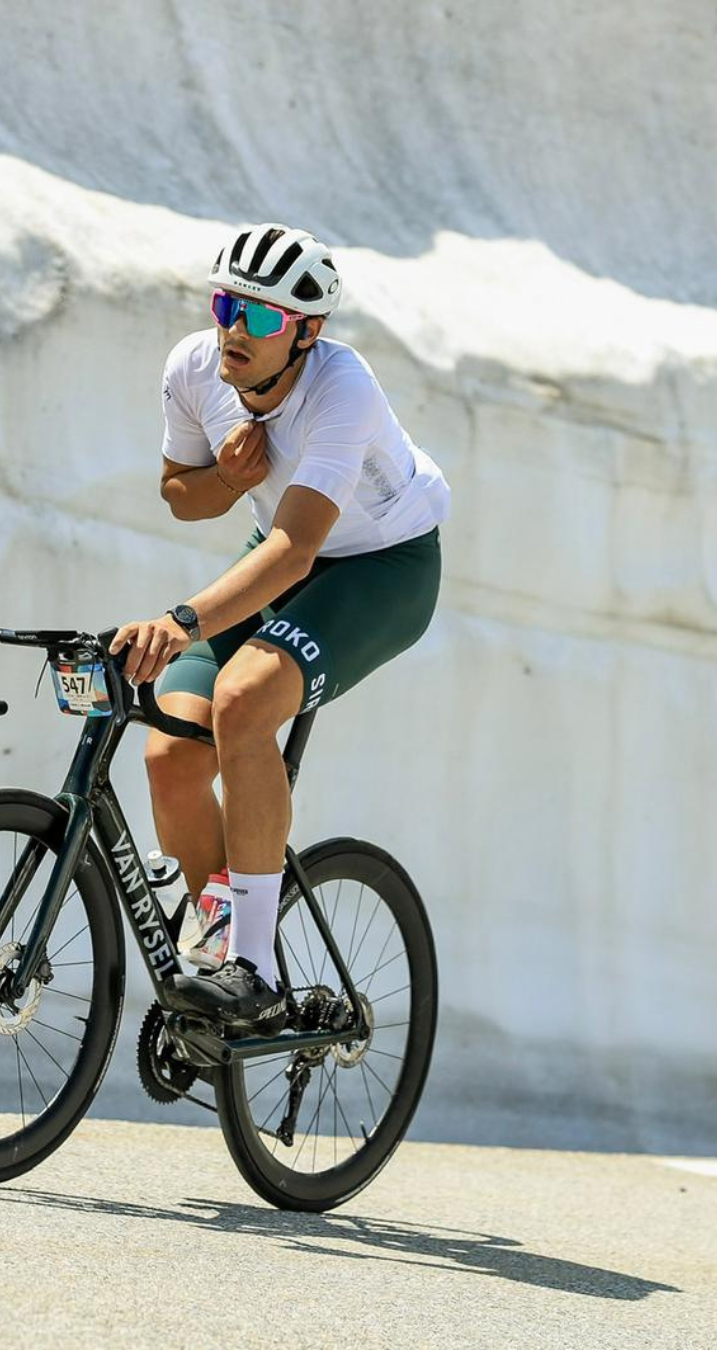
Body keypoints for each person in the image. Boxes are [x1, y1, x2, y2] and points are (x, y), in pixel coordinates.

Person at [109, 223, 450, 1031]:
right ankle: (220, 958)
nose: (235, 327)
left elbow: (297, 551)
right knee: (170, 755)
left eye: (260, 316)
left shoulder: (342, 388)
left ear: (308, 332)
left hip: (381, 567)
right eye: (226, 305)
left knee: (243, 701)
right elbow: (180, 493)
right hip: (279, 550)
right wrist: (229, 480)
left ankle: (255, 970)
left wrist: (183, 621)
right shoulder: (195, 367)